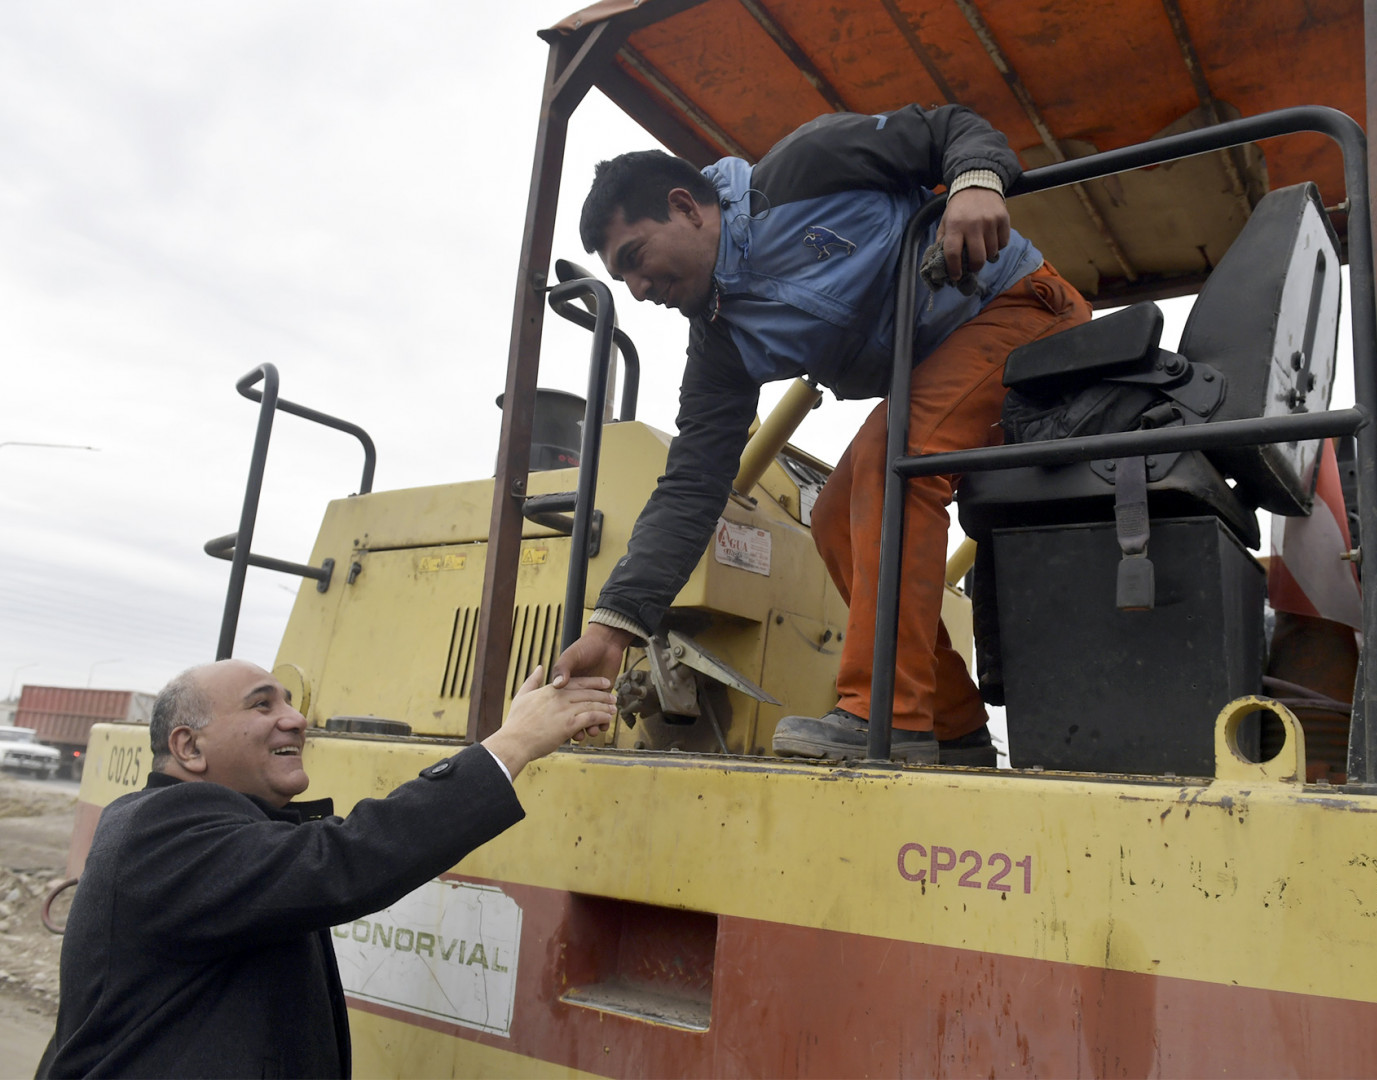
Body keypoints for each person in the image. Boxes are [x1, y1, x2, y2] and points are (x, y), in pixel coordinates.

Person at [554, 104, 1092, 765]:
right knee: (835, 516)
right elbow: (692, 485)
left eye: (635, 258)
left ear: (686, 207)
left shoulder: (808, 168)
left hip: (1020, 309)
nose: (637, 290)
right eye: (621, 278)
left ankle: (885, 718)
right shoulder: (721, 344)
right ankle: (953, 728)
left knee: (891, 467)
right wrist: (615, 627)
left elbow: (948, 127)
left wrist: (975, 179)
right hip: (936, 363)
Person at [37, 658, 616, 1079]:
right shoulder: (159, 832)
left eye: (290, 701)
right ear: (188, 748)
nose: (296, 719)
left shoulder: (197, 829)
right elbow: (341, 861)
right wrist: (509, 746)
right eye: (263, 704)